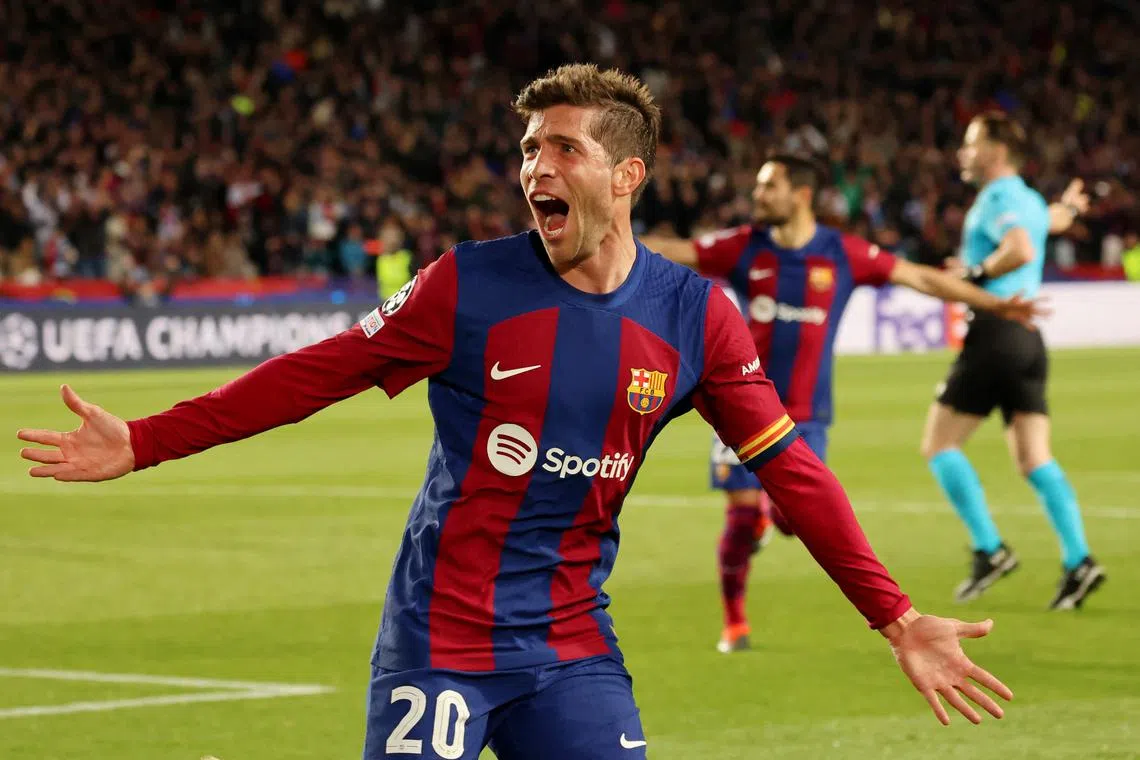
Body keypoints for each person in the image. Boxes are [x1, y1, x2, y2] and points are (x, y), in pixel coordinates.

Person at [17, 65, 1011, 760]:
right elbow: (315, 372)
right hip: (439, 641)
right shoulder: (468, 287)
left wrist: (894, 615)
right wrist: (146, 440)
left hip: (572, 649)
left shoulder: (694, 316)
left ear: (627, 177)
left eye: (565, 149)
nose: (537, 167)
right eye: (530, 147)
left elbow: (790, 465)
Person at [642, 153, 1046, 653]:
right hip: (740, 408)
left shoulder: (842, 253)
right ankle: (735, 623)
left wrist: (995, 302)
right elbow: (675, 251)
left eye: (770, 186)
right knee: (741, 519)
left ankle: (776, 518)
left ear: (801, 193)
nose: (758, 195)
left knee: (794, 522)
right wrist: (607, 234)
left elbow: (919, 277)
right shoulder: (744, 247)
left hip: (805, 417)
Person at [920, 111, 1105, 609]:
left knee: (938, 445)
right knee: (1033, 458)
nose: (962, 151)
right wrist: (1065, 207)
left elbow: (1021, 248)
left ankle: (989, 548)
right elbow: (1048, 223)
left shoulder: (1000, 197)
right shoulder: (1025, 198)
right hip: (1027, 342)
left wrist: (973, 274)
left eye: (971, 142)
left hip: (997, 331)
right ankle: (1079, 560)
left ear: (997, 150)